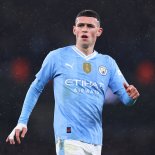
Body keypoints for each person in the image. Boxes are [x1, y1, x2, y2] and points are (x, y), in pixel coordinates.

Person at [6, 10, 140, 155]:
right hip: (68, 137)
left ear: (99, 31)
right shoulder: (57, 57)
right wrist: (22, 121)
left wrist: (133, 96)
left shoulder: (108, 63)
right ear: (74, 30)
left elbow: (126, 99)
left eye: (90, 26)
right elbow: (36, 87)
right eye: (81, 25)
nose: (84, 29)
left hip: (95, 140)